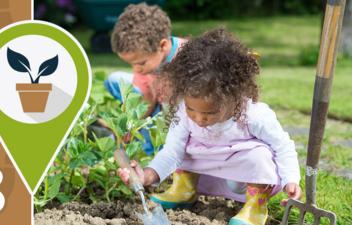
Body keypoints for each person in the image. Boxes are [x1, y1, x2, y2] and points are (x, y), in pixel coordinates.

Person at [118, 27, 302, 225]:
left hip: (243, 172)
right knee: (183, 148)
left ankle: (255, 207)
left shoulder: (254, 115)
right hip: (206, 167)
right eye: (191, 109)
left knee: (260, 156)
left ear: (234, 98)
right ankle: (184, 190)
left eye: (209, 113)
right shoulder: (183, 110)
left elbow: (282, 146)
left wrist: (290, 180)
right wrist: (147, 175)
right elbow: (171, 152)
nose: (198, 118)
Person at [104, 3, 187, 155]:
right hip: (160, 104)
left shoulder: (189, 60)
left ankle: (152, 156)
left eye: (140, 63)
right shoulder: (148, 63)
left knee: (158, 140)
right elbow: (146, 100)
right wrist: (132, 125)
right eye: (132, 64)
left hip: (187, 115)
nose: (136, 69)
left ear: (162, 45)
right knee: (114, 80)